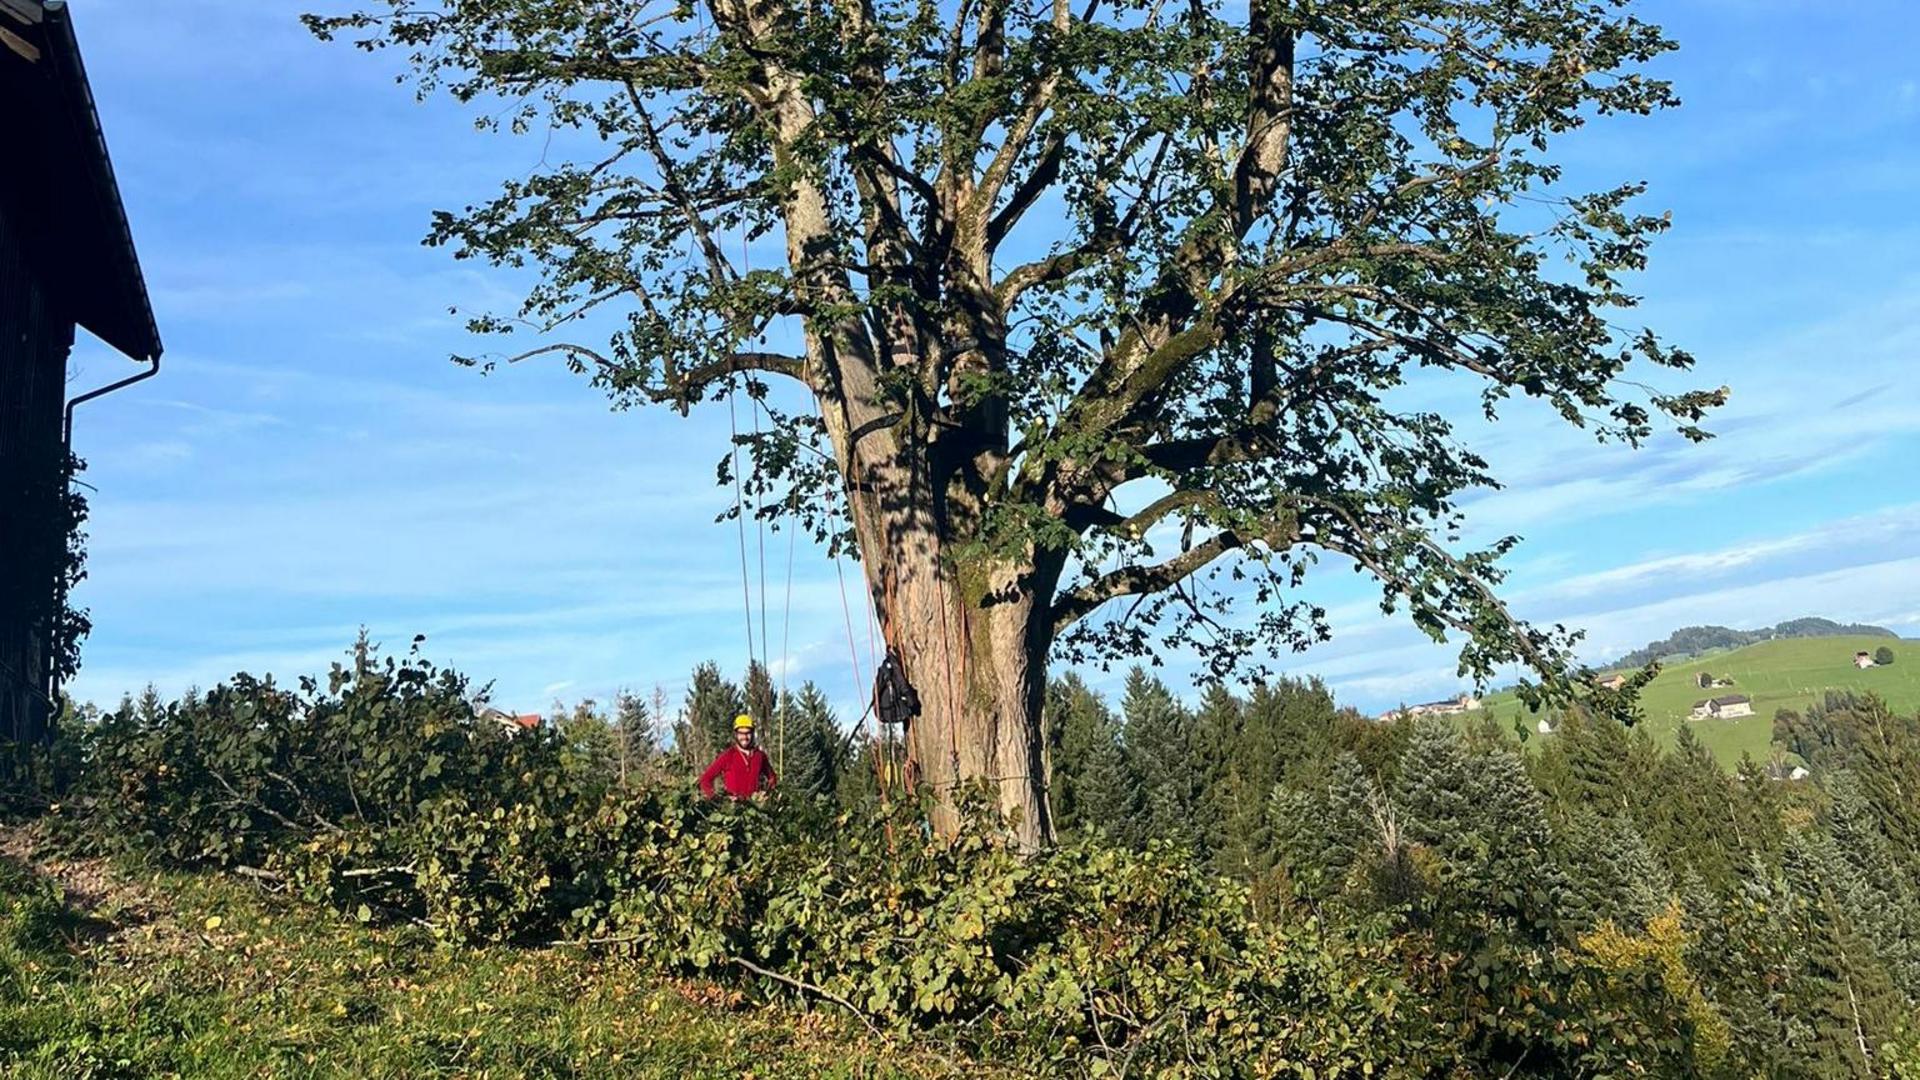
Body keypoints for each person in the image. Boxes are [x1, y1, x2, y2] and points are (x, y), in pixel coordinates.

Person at [698, 714, 777, 800]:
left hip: (755, 809)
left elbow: (772, 778)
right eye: (741, 733)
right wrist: (716, 799)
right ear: (736, 734)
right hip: (734, 810)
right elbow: (705, 779)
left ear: (752, 733)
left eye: (748, 733)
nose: (744, 737)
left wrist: (767, 795)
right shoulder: (728, 755)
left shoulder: (759, 756)